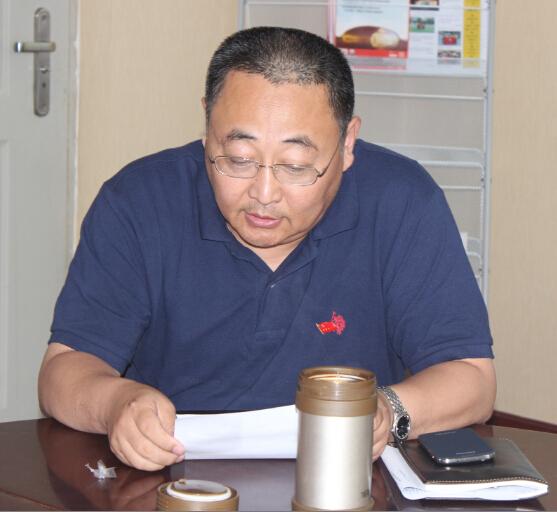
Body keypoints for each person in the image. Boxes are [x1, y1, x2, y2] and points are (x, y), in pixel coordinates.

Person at [38, 27, 496, 471]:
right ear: (207, 124)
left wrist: (387, 409)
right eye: (238, 158)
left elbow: (472, 378)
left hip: (346, 479)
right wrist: (116, 402)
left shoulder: (402, 201)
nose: (263, 193)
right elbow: (65, 369)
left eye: (295, 166)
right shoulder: (139, 201)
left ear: (347, 143)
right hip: (171, 480)